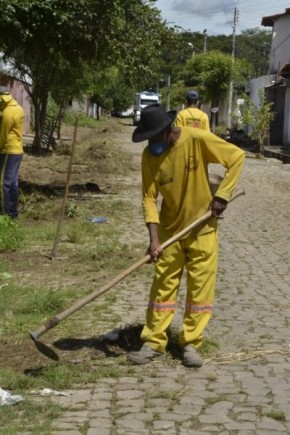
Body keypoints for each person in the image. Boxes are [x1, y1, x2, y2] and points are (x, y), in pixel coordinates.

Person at [128, 103, 245, 367]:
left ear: (169, 130)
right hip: (171, 230)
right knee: (162, 286)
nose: (152, 144)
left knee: (200, 289)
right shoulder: (150, 157)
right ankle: (154, 342)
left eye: (156, 137)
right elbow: (148, 198)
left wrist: (222, 196)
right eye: (148, 139)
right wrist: (154, 239)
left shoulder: (196, 139)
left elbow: (237, 157)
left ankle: (191, 343)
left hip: (202, 228)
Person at [0, 86, 25, 218]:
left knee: (3, 183)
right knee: (13, 182)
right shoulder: (19, 108)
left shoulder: (7, 113)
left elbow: (3, 135)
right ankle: (13, 212)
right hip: (18, 150)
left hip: (8, 150)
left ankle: (5, 214)